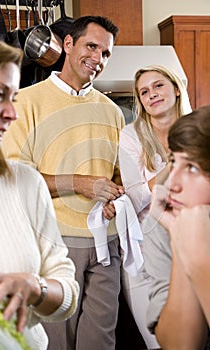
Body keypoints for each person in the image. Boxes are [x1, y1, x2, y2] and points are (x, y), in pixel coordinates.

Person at [2, 16, 125, 350]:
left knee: (100, 338)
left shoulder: (113, 112)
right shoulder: (25, 102)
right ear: (68, 44)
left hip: (106, 244)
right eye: (91, 46)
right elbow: (14, 179)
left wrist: (117, 196)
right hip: (53, 241)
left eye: (106, 54)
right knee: (57, 340)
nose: (98, 59)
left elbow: (117, 177)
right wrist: (78, 183)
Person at [0, 33, 79, 350]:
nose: (13, 113)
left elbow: (67, 289)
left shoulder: (25, 183)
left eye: (14, 98)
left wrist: (35, 287)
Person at [117, 65, 192, 349]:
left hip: (193, 241)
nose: (152, 95)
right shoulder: (131, 136)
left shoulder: (199, 128)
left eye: (158, 86)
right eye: (144, 91)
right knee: (159, 339)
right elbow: (135, 198)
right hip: (146, 248)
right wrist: (173, 165)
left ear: (175, 88)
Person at [143, 105, 210, 350]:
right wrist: (178, 238)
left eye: (192, 167)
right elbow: (181, 345)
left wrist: (200, 260)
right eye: (173, 162)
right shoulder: (163, 223)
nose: (172, 184)